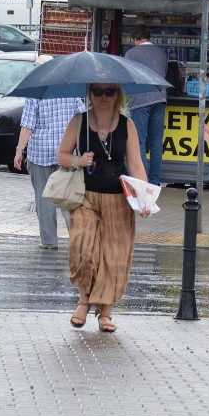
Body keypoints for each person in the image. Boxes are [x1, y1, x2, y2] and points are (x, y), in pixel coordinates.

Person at [56, 83, 149, 333]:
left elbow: (136, 164)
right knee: (83, 249)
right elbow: (62, 155)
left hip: (118, 200)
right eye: (98, 92)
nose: (103, 97)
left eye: (109, 92)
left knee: (114, 256)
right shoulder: (79, 121)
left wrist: (144, 198)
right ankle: (84, 300)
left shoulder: (127, 125)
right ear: (90, 94)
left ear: (117, 95)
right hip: (84, 196)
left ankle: (105, 312)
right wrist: (78, 160)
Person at [14, 96, 86, 249]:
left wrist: (19, 151)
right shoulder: (70, 91)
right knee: (69, 198)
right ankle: (78, 239)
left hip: (40, 152)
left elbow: (27, 125)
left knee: (43, 199)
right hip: (66, 152)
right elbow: (82, 117)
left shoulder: (36, 92)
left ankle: (49, 241)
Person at [124, 25, 168, 185]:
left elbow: (127, 78)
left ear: (134, 39)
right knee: (156, 143)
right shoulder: (161, 52)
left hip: (140, 101)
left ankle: (142, 181)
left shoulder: (131, 53)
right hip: (160, 98)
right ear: (148, 37)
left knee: (139, 141)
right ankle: (155, 182)